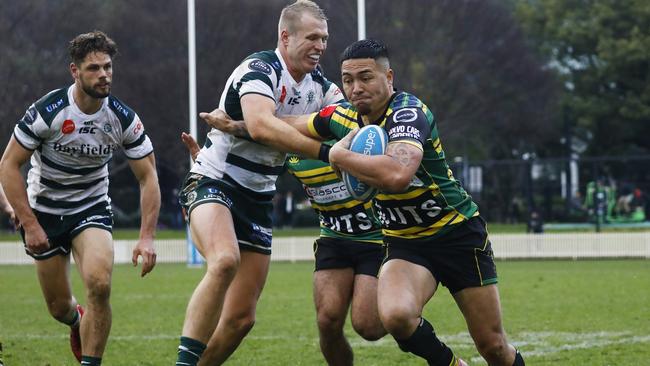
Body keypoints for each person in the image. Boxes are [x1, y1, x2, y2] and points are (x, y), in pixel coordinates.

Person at [202, 39, 527, 366]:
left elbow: (397, 174)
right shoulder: (340, 117)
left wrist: (338, 156)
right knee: (396, 316)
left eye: (366, 77)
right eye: (348, 80)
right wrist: (237, 127)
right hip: (405, 243)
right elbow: (287, 126)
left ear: (389, 77)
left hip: (457, 234)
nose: (356, 88)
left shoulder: (408, 113)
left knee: (493, 346)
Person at [174, 1, 345, 365]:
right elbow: (263, 125)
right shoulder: (259, 68)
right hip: (214, 181)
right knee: (224, 261)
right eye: (312, 37)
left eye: (325, 39)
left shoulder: (320, 87)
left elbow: (348, 118)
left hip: (258, 198)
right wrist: (328, 151)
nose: (320, 46)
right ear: (285, 37)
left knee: (240, 319)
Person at [0, 31, 160, 365]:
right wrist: (29, 224)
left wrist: (147, 237)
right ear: (75, 71)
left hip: (91, 208)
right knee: (59, 308)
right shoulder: (48, 111)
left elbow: (148, 177)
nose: (104, 75)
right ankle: (76, 320)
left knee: (100, 283)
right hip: (44, 210)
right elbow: (8, 166)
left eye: (107, 67)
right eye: (94, 68)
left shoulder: (122, 118)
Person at [183, 130, 386, 365]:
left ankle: (404, 309)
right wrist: (211, 168)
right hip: (335, 238)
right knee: (327, 321)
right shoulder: (289, 147)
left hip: (376, 239)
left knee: (368, 326)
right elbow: (254, 169)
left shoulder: (352, 134)